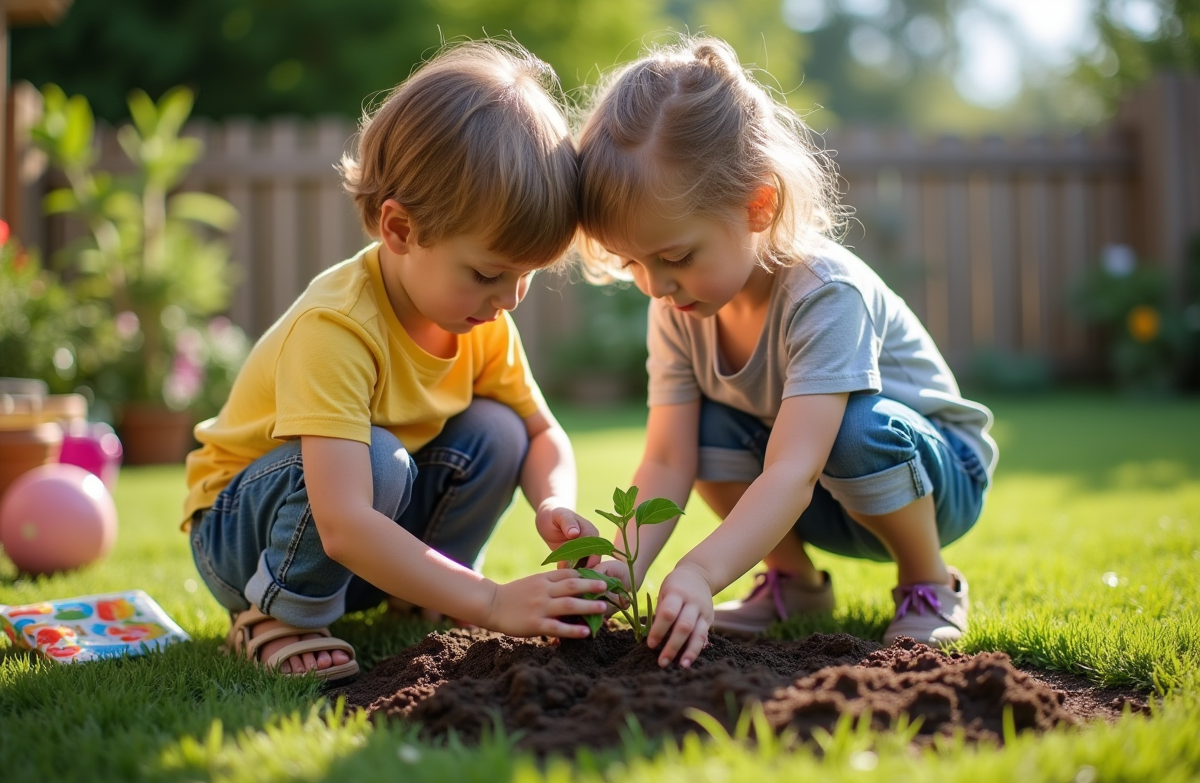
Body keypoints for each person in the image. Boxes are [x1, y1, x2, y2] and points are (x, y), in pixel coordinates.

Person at [182, 41, 610, 682]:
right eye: (490, 272)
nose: (510, 298)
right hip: (245, 537)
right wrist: (491, 601)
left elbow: (543, 432)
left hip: (358, 533)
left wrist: (554, 503)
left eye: (525, 275)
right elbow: (345, 522)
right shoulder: (337, 327)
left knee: (500, 430)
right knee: (376, 459)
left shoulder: (481, 318)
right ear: (401, 230)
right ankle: (279, 614)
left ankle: (420, 593)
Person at [575, 36, 997, 670]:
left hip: (933, 480)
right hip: (822, 490)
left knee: (857, 426)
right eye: (633, 262)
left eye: (676, 257)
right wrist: (617, 570)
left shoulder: (825, 293)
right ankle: (793, 586)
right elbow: (667, 459)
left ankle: (929, 583)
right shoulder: (678, 308)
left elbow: (794, 471)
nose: (655, 286)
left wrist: (698, 571)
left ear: (757, 204)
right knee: (708, 426)